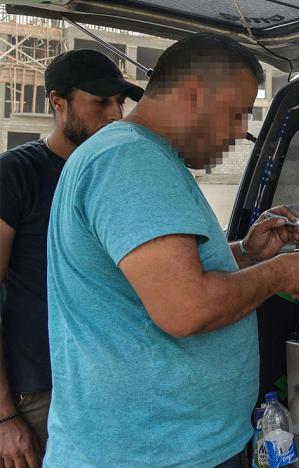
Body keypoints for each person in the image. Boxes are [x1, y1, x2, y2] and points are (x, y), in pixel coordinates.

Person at [45, 34, 299, 466]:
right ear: (194, 94)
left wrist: (247, 254)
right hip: (152, 453)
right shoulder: (130, 160)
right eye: (237, 114)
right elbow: (186, 307)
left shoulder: (134, 156)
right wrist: (281, 273)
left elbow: (159, 278)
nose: (241, 131)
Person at [0, 49, 142, 467]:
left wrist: (244, 251)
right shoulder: (16, 174)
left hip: (111, 388)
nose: (116, 113)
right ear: (57, 102)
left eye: (120, 102)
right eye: (101, 102)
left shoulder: (116, 176)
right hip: (42, 394)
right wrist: (4, 415)